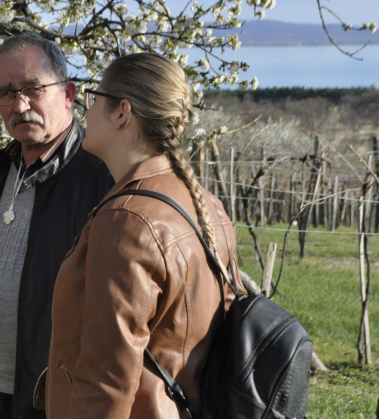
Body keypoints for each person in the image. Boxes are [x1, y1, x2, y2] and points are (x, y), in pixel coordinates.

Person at [45, 53, 243, 419]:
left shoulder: (127, 221)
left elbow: (107, 380)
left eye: (95, 96)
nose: (86, 110)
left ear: (122, 111)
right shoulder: (206, 204)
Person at [0, 32, 112, 419]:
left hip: (54, 398)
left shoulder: (100, 178)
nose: (20, 104)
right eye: (6, 92)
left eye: (33, 89)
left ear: (68, 93)